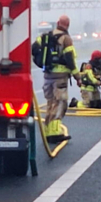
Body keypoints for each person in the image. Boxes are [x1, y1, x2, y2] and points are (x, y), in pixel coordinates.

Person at [32, 14, 78, 142]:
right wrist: (77, 76)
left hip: (48, 75)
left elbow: (33, 49)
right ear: (68, 25)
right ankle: (54, 133)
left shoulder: (45, 36)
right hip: (60, 77)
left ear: (57, 23)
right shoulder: (66, 38)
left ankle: (48, 132)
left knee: (50, 103)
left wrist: (41, 64)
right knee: (59, 104)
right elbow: (70, 59)